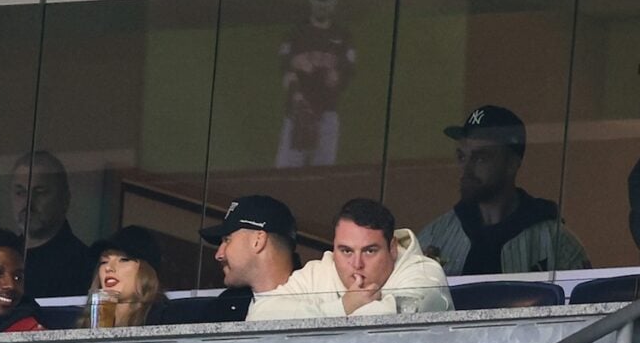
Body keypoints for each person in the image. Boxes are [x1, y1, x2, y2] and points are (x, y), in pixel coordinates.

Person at [419, 105, 590, 276]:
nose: (467, 168)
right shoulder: (435, 237)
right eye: (462, 156)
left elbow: (587, 300)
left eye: (481, 158)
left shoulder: (555, 242)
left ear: (512, 164)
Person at [247, 198, 452, 320]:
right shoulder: (318, 272)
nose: (356, 264)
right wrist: (342, 307)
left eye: (370, 251)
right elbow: (259, 316)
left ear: (392, 249)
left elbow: (392, 329)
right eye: (346, 251)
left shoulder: (423, 273)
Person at [275, 0, 356, 169]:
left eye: (326, 4)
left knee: (324, 173)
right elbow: (286, 72)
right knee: (286, 173)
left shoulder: (342, 36)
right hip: (297, 114)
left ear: (334, 4)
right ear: (311, 3)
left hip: (327, 113)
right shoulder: (296, 33)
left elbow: (345, 75)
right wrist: (297, 98)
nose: (322, 8)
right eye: (319, 4)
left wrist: (335, 79)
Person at [199, 195, 300, 321]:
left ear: (258, 241)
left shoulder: (319, 296)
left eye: (227, 240)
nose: (219, 255)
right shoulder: (224, 308)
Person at [10, 150, 92, 299]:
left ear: (64, 199)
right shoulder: (1, 257)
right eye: (20, 192)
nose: (28, 202)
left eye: (40, 192)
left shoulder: (83, 265)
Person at [78, 225, 167, 327]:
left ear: (146, 271)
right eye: (104, 262)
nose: (108, 268)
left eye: (123, 260)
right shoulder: (84, 324)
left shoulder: (165, 318)